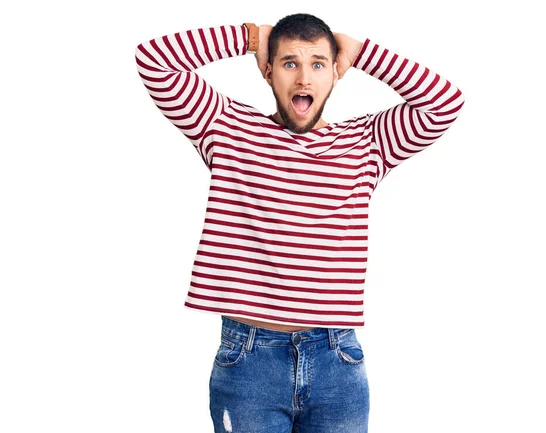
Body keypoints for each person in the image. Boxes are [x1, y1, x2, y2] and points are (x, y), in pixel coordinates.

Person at [135, 13, 464, 432]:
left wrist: (360, 52)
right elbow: (153, 61)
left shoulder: (366, 143)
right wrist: (252, 37)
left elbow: (445, 103)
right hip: (249, 360)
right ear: (268, 71)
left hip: (337, 360)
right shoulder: (226, 128)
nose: (304, 79)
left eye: (318, 64)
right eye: (290, 63)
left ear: (334, 74)